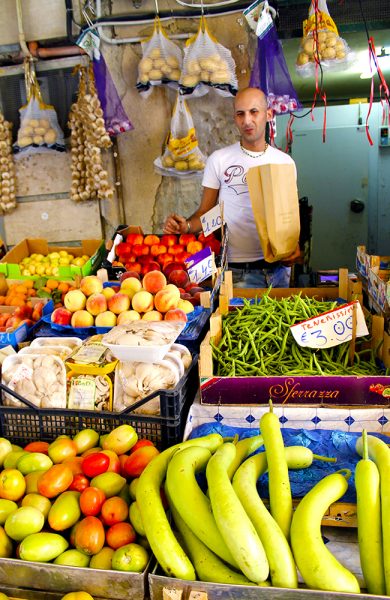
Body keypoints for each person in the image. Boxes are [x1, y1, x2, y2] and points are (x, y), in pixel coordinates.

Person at [163, 87, 300, 288]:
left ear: (268, 115)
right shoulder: (219, 160)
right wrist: (187, 227)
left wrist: (294, 246)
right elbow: (210, 212)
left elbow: (289, 215)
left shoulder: (285, 163)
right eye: (240, 114)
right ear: (235, 119)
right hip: (237, 273)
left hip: (278, 270)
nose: (247, 121)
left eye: (254, 112)